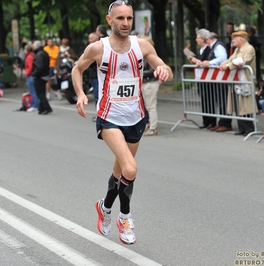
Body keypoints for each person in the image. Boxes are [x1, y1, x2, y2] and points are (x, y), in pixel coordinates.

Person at [71, 0, 173, 245]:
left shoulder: (141, 45)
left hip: (136, 117)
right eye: (120, 18)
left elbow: (161, 63)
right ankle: (124, 217)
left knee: (119, 171)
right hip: (109, 117)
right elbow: (77, 69)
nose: (125, 23)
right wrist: (81, 94)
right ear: (110, 20)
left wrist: (164, 69)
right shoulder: (98, 48)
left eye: (128, 18)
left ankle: (104, 207)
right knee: (130, 169)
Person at [219, 31, 256, 136]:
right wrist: (223, 64)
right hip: (237, 80)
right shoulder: (237, 50)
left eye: (234, 39)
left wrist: (228, 66)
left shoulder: (249, 49)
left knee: (245, 105)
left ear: (241, 39)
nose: (232, 41)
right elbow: (230, 59)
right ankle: (242, 128)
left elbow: (244, 60)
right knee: (238, 104)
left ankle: (249, 128)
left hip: (245, 80)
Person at [201, 32, 232, 132]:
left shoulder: (218, 47)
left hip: (221, 78)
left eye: (207, 40)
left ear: (209, 39)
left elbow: (223, 58)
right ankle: (222, 122)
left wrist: (209, 63)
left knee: (223, 101)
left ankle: (225, 123)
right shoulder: (216, 46)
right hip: (219, 78)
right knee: (220, 101)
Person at [188, 29, 215, 129]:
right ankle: (206, 121)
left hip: (207, 79)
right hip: (201, 78)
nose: (196, 40)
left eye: (198, 38)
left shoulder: (208, 49)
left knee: (209, 99)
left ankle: (212, 121)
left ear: (203, 39)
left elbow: (206, 61)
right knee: (204, 100)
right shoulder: (201, 49)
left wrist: (196, 60)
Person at [140, 35, 160, 136]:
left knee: (151, 106)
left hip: (150, 82)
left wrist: (139, 72)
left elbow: (153, 71)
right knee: (148, 106)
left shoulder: (151, 56)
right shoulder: (145, 56)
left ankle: (153, 127)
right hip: (147, 82)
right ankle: (150, 126)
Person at [32, 40, 53, 115]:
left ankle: (47, 108)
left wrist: (34, 74)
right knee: (42, 92)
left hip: (40, 76)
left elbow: (39, 66)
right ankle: (41, 108)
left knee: (40, 93)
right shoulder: (44, 52)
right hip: (45, 75)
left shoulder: (39, 54)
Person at [87, 32, 101, 122]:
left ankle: (99, 115)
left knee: (98, 96)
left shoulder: (97, 48)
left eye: (90, 38)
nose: (89, 40)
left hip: (97, 76)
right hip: (94, 75)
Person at [24, 44, 38, 112]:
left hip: (30, 75)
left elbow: (30, 67)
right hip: (32, 75)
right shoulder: (32, 55)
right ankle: (36, 104)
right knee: (34, 90)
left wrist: (27, 73)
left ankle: (34, 105)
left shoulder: (29, 57)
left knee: (32, 91)